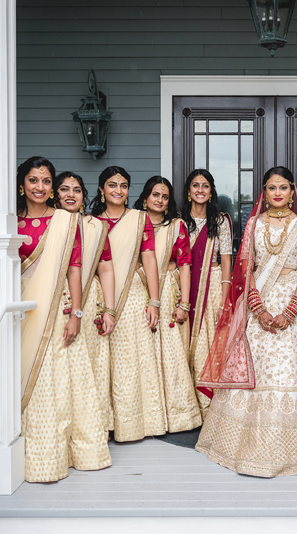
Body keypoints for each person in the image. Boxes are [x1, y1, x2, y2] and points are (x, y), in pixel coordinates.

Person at [196, 166, 297, 477]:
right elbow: (246, 268)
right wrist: (257, 307)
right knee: (257, 367)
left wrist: (291, 309)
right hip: (260, 302)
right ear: (264, 192)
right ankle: (247, 448)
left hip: (294, 301)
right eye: (271, 188)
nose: (277, 193)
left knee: (296, 368)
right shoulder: (253, 223)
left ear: (292, 191)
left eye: (283, 187)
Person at [17, 157, 110, 482]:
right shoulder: (11, 223)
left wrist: (77, 313)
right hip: (20, 310)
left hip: (58, 310)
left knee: (60, 381)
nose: (39, 187)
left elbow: (74, 267)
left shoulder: (65, 222)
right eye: (33, 180)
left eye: (45, 181)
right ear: (21, 185)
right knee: (23, 375)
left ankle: (65, 453)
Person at [90, 167, 163, 442]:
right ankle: (103, 423)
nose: (118, 190)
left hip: (131, 295)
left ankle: (131, 425)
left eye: (123, 185)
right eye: (112, 185)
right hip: (99, 296)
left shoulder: (139, 219)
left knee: (128, 361)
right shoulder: (91, 222)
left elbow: (149, 260)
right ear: (101, 189)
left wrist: (154, 302)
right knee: (100, 362)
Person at [135, 176, 202, 433]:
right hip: (139, 291)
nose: (160, 200)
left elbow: (185, 264)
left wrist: (184, 303)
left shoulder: (177, 226)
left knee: (172, 353)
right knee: (144, 353)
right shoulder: (135, 222)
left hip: (169, 290)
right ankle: (147, 417)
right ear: (145, 197)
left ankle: (178, 416)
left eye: (164, 196)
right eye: (155, 195)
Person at [55, 171, 117, 436]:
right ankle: (59, 428)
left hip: (89, 301)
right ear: (54, 194)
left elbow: (105, 269)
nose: (71, 194)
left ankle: (92, 428)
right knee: (59, 366)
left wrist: (109, 310)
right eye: (65, 189)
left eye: (77, 190)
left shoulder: (95, 226)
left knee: (89, 367)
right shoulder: (48, 222)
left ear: (85, 195)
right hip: (52, 301)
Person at [180, 169, 232, 418]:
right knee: (182, 340)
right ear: (189, 191)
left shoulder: (221, 221)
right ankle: (186, 404)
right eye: (195, 185)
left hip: (211, 286)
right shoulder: (178, 220)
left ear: (211, 191)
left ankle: (208, 405)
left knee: (207, 342)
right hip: (183, 285)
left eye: (205, 186)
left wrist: (225, 297)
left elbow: (225, 261)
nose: (200, 190)